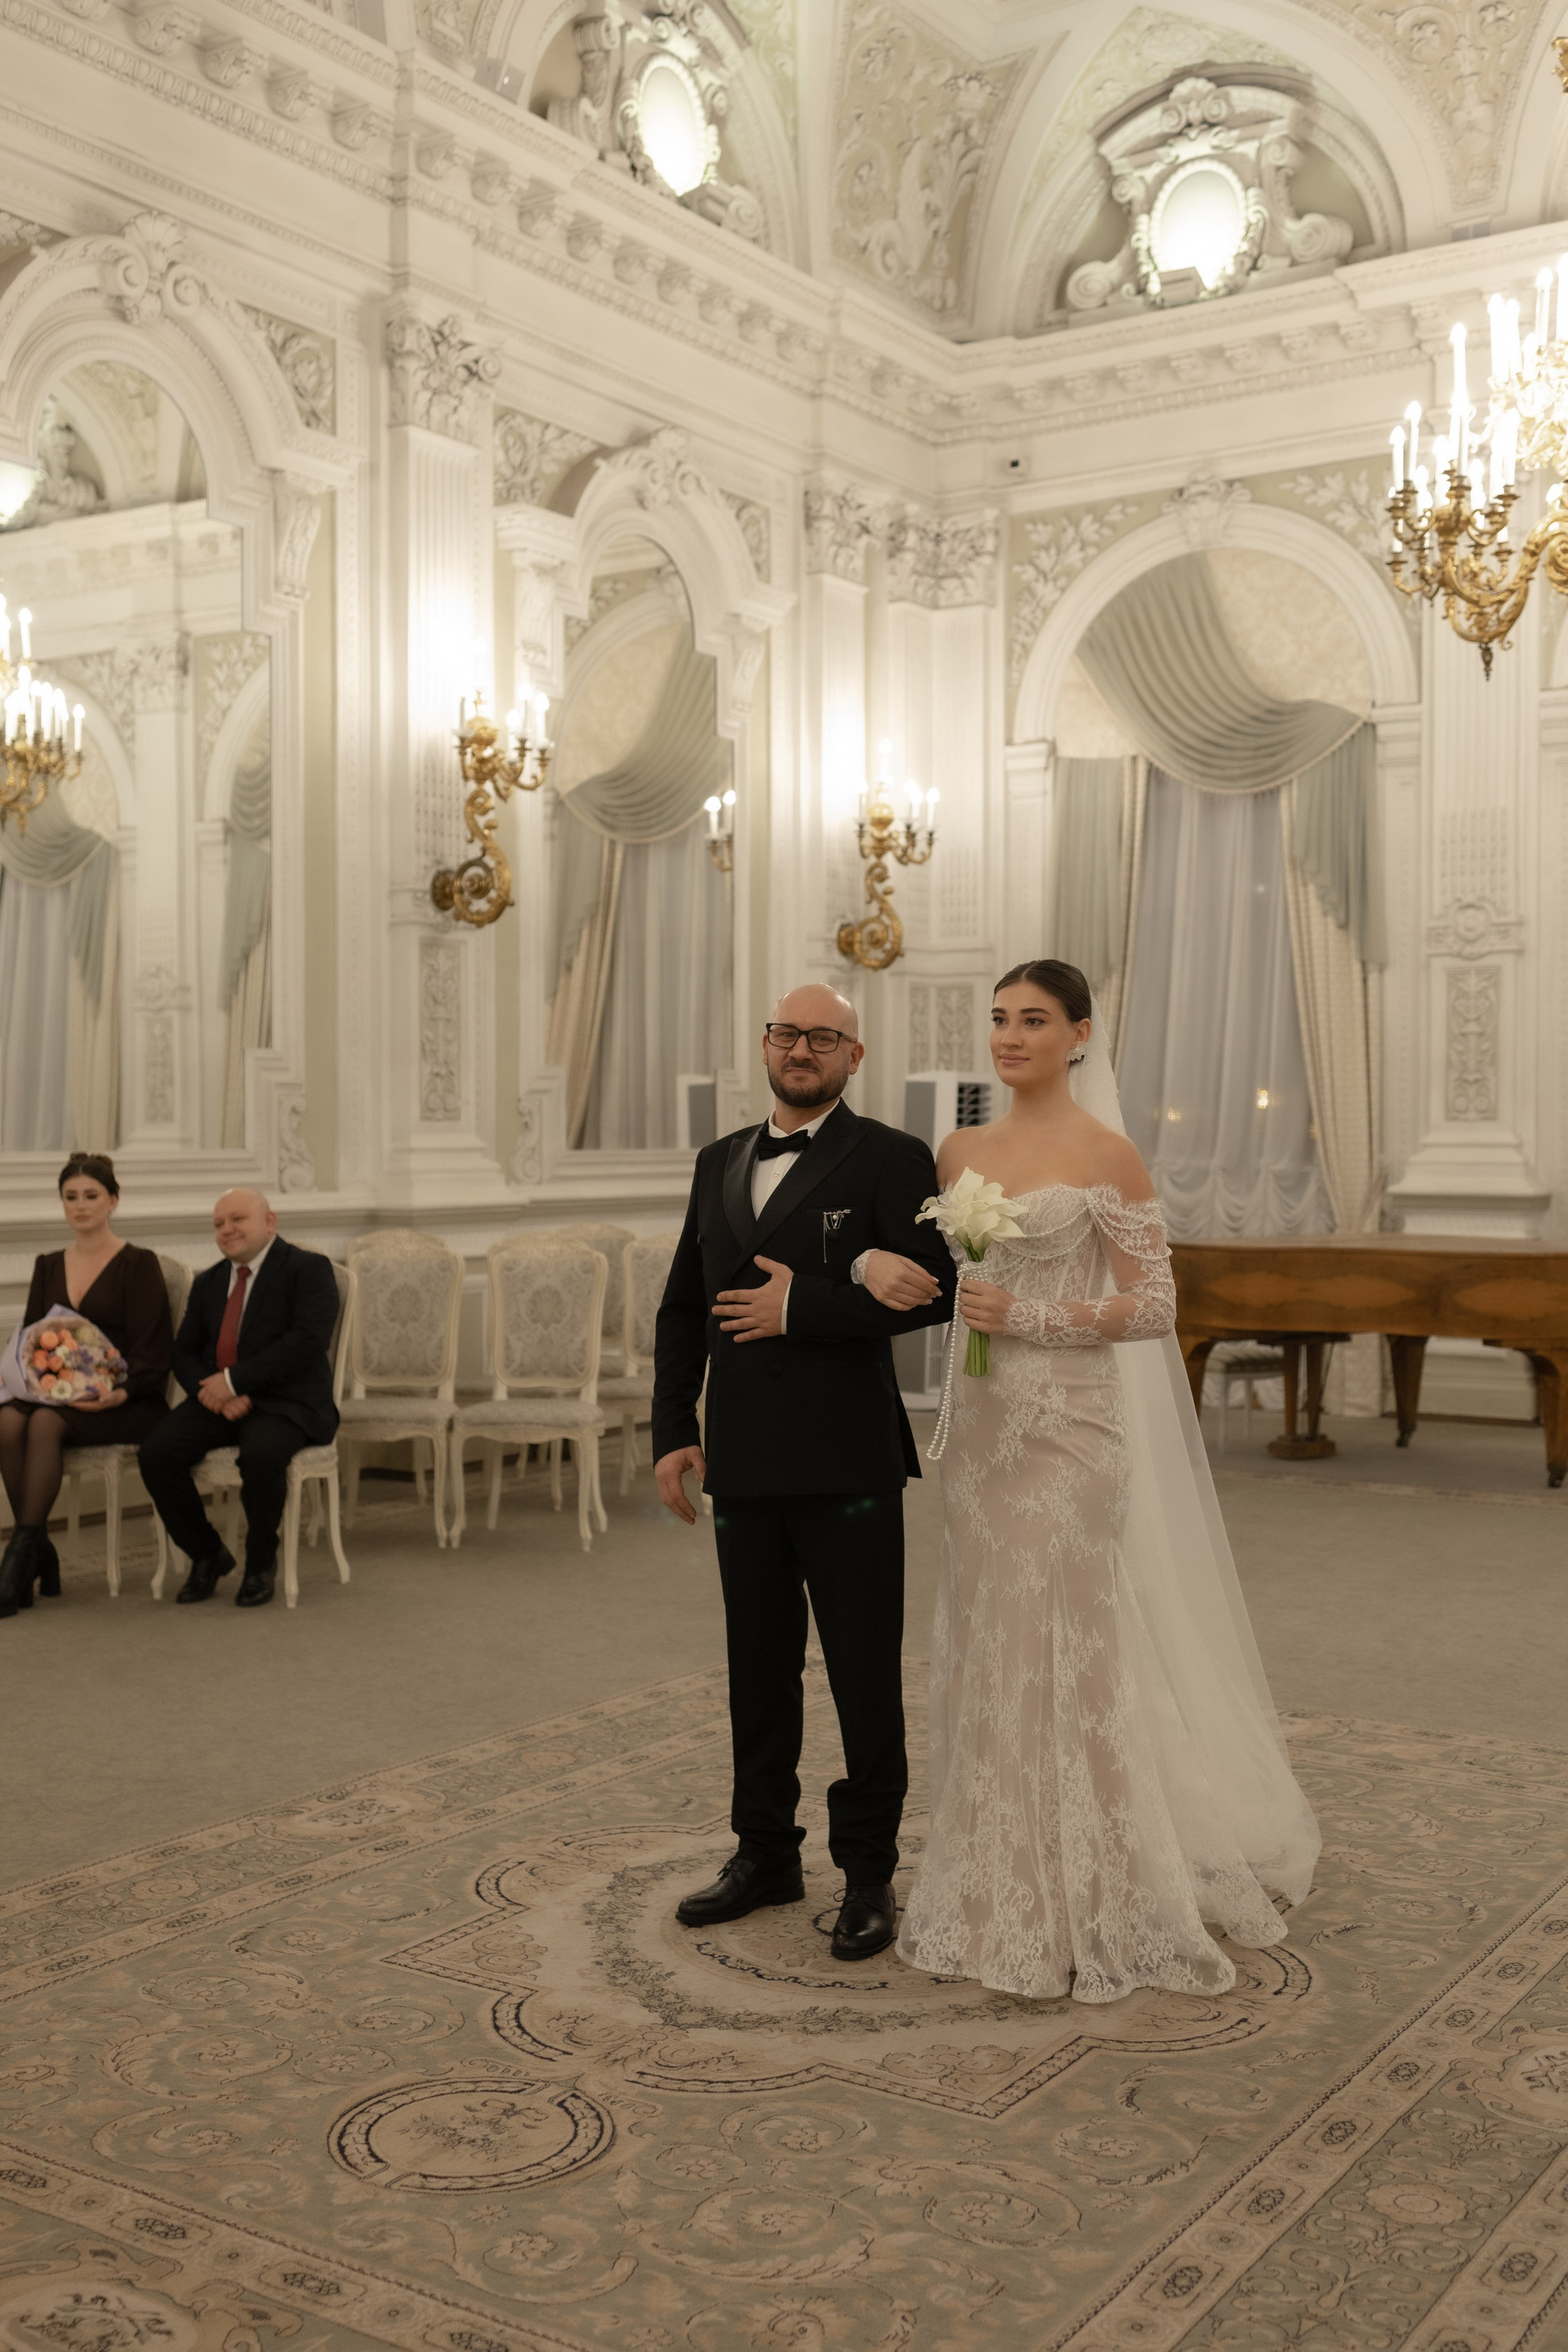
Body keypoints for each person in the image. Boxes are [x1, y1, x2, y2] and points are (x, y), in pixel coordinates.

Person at [858, 958, 1322, 2002]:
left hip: (1071, 1434)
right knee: (992, 1641)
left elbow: (1155, 1305)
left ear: (1079, 1035)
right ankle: (1000, 1882)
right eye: (998, 1019)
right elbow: (939, 1278)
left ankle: (1099, 1891)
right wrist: (886, 1276)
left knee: (1066, 1642)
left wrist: (1031, 1316)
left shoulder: (1108, 1152)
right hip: (982, 1437)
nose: (1009, 1036)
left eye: (1033, 1020)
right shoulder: (959, 1152)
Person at [653, 982, 957, 1962]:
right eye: (787, 1033)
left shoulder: (892, 1156)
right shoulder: (717, 1160)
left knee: (863, 1673)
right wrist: (673, 1427)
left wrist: (805, 1306)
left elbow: (935, 1292)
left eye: (824, 1038)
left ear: (853, 1057)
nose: (801, 1050)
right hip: (742, 1457)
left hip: (845, 1456)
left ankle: (867, 1872)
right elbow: (683, 1306)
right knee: (758, 1669)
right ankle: (764, 1854)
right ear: (766, 1044)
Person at [138, 1188, 339, 1610]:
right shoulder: (209, 1281)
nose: (226, 1229)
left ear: (269, 1221)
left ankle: (261, 1563)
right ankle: (208, 1554)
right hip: (219, 1400)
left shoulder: (307, 1269)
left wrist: (233, 1381)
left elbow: (306, 1342)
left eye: (237, 1219)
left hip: (287, 1401)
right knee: (157, 1451)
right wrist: (214, 1392)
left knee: (261, 1454)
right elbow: (184, 1352)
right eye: (218, 1224)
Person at [0, 1153, 173, 1617]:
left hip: (127, 1400)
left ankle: (16, 1565)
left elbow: (154, 1350)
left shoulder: (138, 1263)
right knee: (7, 1421)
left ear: (113, 1200)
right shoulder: (47, 1265)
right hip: (59, 1395)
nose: (80, 1205)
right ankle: (38, 1553)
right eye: (71, 1197)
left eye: (91, 1196)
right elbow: (32, 1341)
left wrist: (120, 1392)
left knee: (43, 1424)